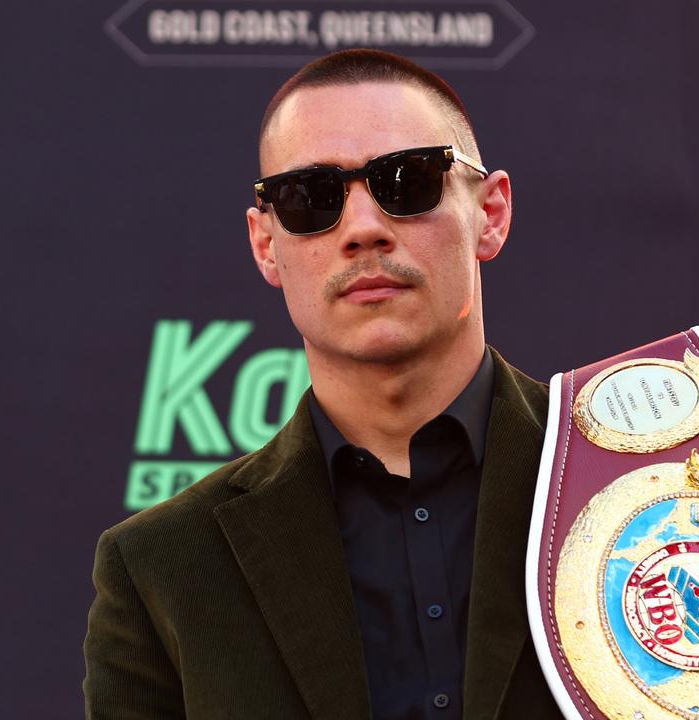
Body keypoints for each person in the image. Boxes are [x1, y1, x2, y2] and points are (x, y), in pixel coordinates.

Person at [83, 49, 563, 719]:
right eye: (311, 198)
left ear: (491, 212)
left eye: (409, 180)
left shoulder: (638, 480)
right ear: (265, 244)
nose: (363, 229)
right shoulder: (162, 567)